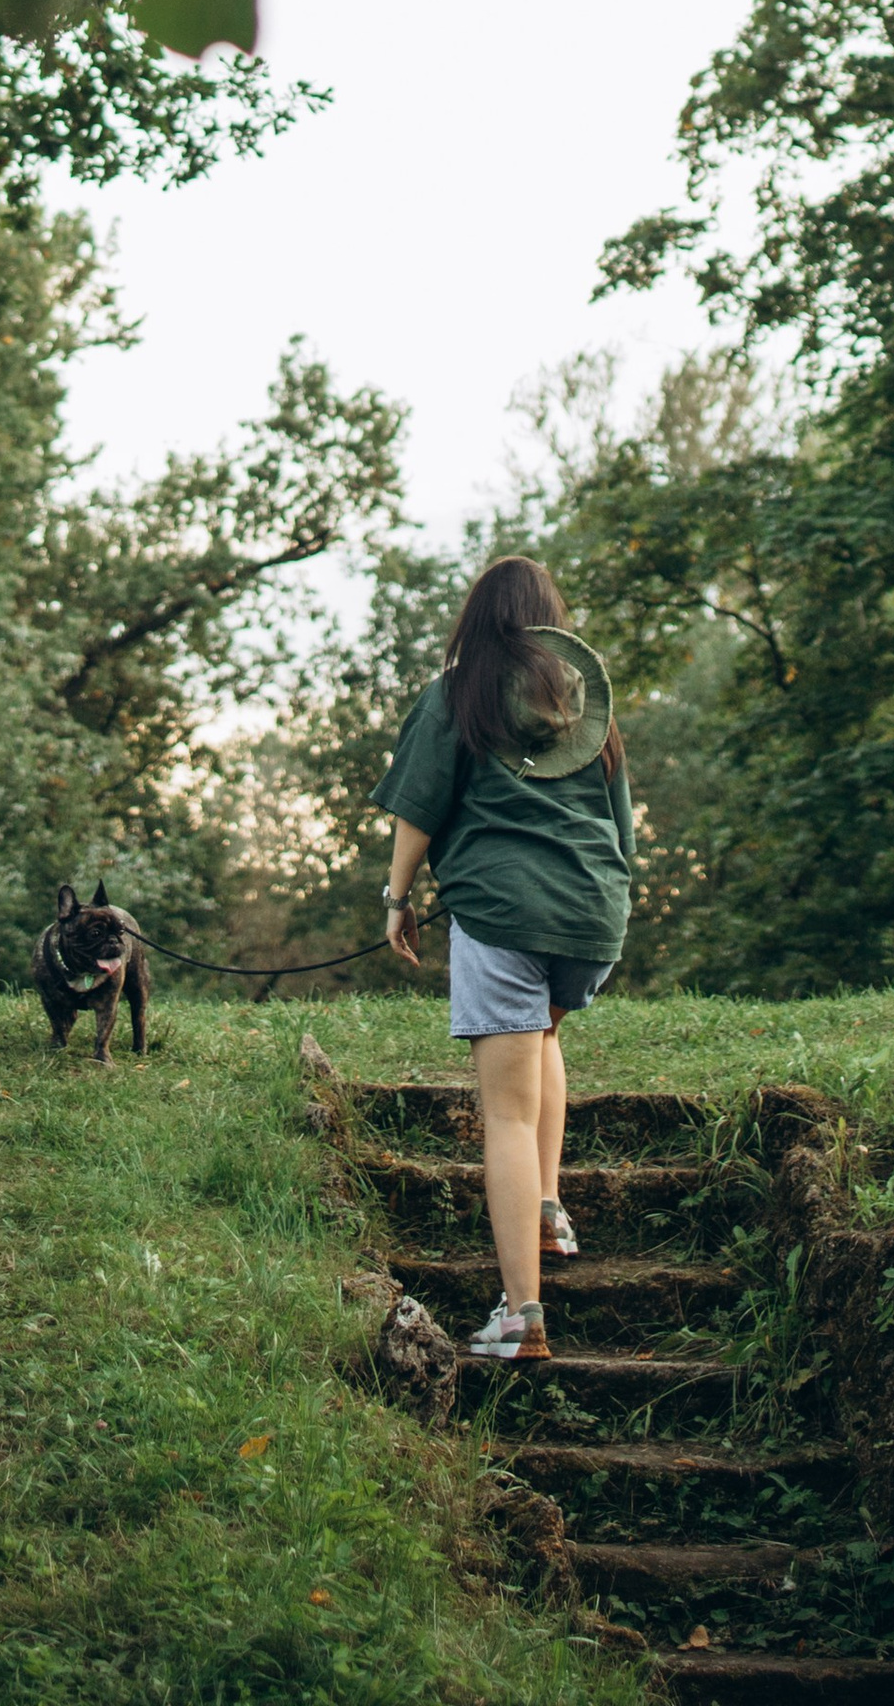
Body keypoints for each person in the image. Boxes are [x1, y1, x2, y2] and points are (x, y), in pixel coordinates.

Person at [371, 552, 634, 1363]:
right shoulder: (586, 708)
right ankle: (549, 1205)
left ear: (477, 617)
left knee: (508, 1113)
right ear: (551, 617)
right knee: (544, 1033)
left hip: (502, 908)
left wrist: (397, 898)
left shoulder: (459, 693)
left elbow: (418, 806)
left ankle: (521, 1316)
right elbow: (622, 826)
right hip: (594, 910)